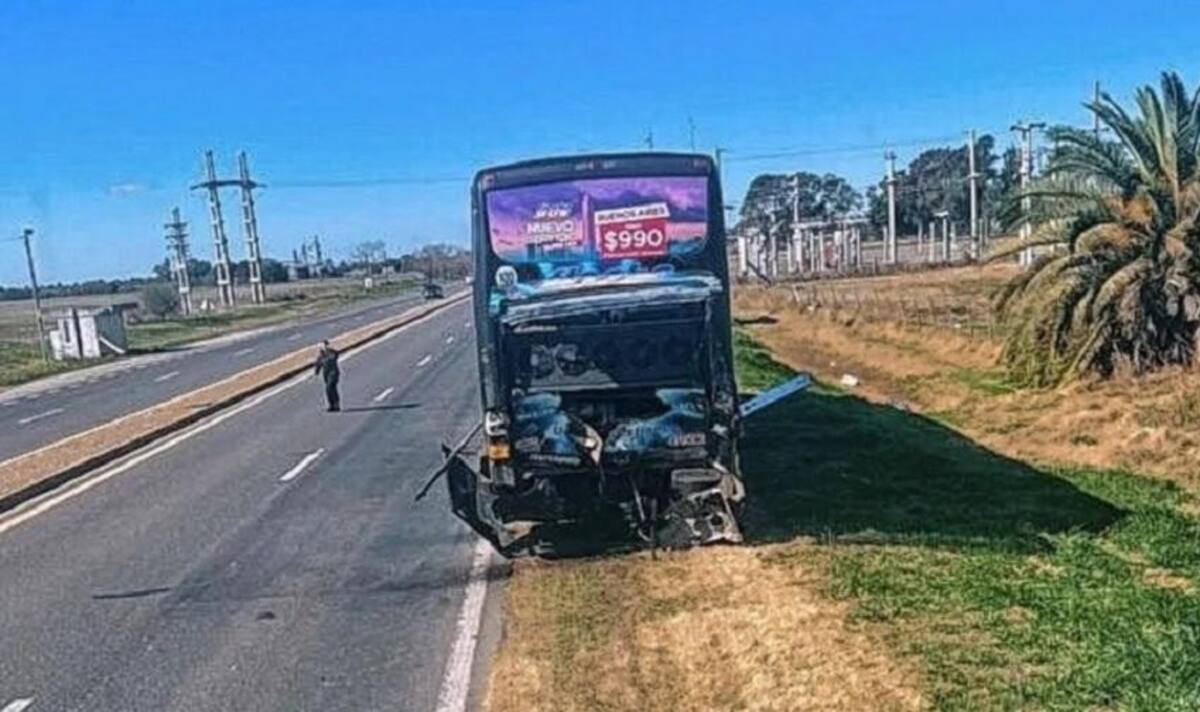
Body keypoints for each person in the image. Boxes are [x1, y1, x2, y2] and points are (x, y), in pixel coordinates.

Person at [313, 340, 341, 412]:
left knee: (329, 387)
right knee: (331, 390)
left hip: (334, 373)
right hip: (326, 375)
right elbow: (318, 365)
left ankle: (336, 404)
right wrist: (316, 372)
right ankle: (332, 405)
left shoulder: (332, 353)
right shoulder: (321, 356)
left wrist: (327, 349)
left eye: (323, 346)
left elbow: (336, 354)